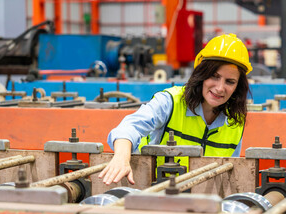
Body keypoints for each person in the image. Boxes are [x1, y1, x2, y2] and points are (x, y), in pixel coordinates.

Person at [99, 34, 253, 185]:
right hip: (153, 191)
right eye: (214, 76)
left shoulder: (235, 122)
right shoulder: (170, 102)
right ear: (202, 74)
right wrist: (121, 157)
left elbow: (230, 173)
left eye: (230, 81)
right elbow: (129, 127)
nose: (220, 88)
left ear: (237, 87)